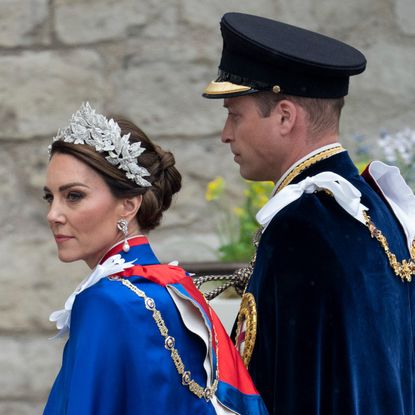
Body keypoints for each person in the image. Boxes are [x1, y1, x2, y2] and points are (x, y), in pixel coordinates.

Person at [202, 12, 415, 415]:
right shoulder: (380, 208)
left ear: (284, 116)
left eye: (235, 114)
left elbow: (288, 388)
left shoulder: (303, 224)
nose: (225, 133)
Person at [42, 102, 269, 415]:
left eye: (74, 196)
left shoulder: (107, 301)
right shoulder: (171, 286)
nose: (53, 214)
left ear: (129, 205)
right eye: (49, 197)